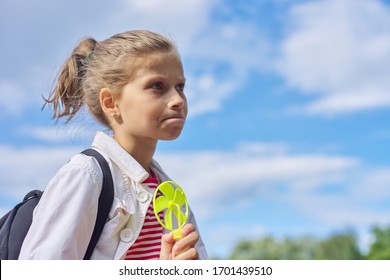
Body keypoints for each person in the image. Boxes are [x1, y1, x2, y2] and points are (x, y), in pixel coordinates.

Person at [18, 30, 208, 260]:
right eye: (157, 86)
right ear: (111, 102)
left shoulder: (170, 193)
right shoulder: (86, 175)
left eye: (180, 87)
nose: (178, 100)